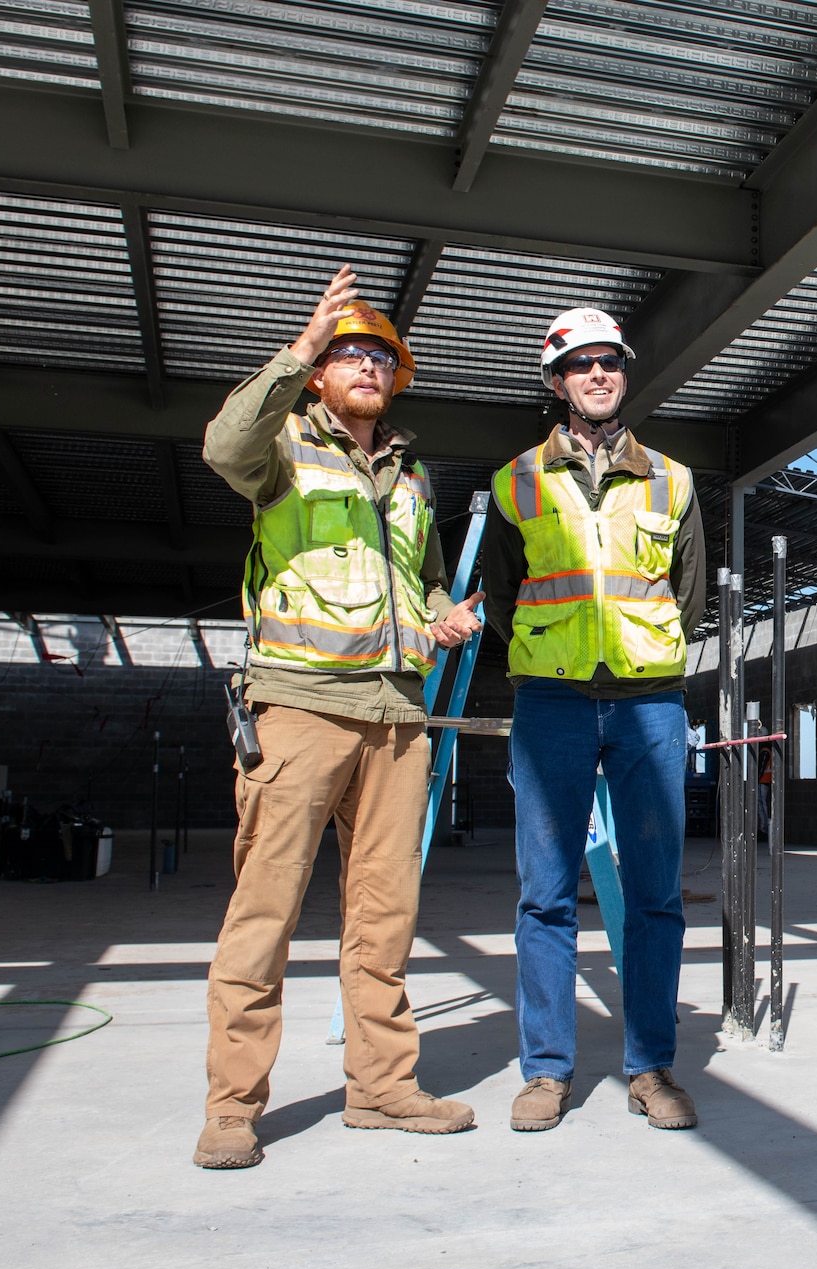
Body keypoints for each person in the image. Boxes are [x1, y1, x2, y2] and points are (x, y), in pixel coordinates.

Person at [195, 264, 486, 1169]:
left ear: (398, 378)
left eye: (380, 356)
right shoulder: (281, 447)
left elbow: (425, 576)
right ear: (323, 371)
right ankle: (233, 1107)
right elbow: (220, 444)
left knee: (385, 913)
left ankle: (383, 1087)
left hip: (397, 716)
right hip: (300, 706)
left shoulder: (413, 476)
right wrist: (301, 344)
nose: (365, 364)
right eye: (349, 352)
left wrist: (446, 614)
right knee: (265, 911)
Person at [481, 307, 705, 1134]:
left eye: (609, 361)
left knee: (653, 894)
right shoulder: (516, 482)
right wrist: (552, 649)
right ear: (555, 381)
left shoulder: (673, 481)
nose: (598, 374)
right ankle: (547, 1071)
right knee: (544, 895)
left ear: (624, 373)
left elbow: (687, 596)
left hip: (650, 700)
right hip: (552, 699)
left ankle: (650, 1066)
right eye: (580, 364)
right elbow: (504, 597)